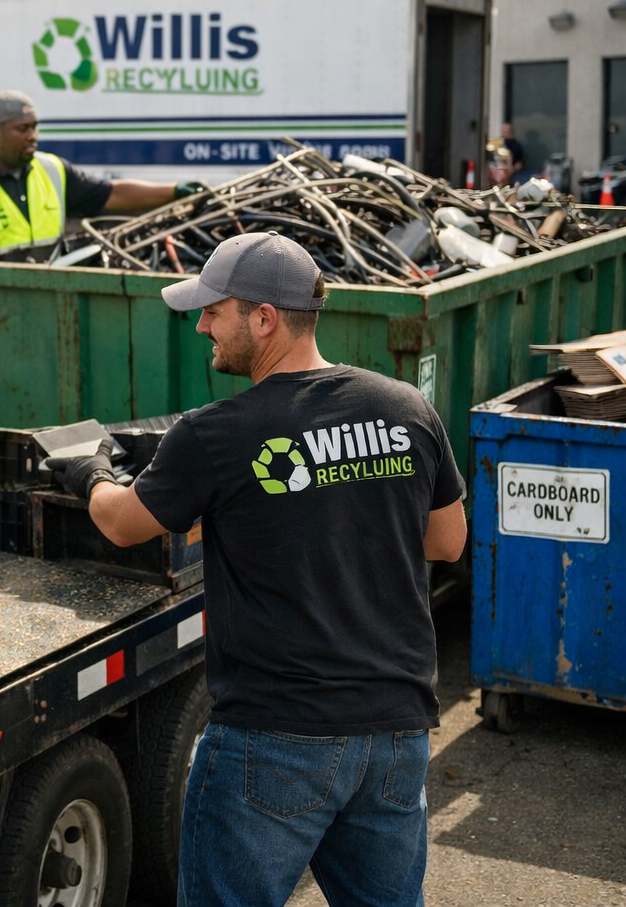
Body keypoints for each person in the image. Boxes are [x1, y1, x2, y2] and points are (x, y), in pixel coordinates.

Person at [40, 230, 468, 907]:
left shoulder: (217, 433)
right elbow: (447, 541)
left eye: (215, 309)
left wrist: (90, 472)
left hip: (276, 737)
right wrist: (342, 524)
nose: (202, 324)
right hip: (394, 733)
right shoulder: (405, 409)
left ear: (264, 318)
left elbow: (124, 524)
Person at [0, 89, 204, 366]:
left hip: (50, 317)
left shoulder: (53, 170)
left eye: (34, 127)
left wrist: (175, 191)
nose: (32, 136)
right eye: (22, 129)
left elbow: (113, 194)